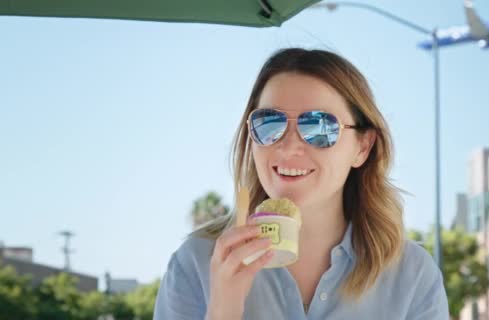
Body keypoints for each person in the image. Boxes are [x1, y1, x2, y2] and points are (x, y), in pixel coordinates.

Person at [153, 48, 449, 320]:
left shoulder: (413, 276)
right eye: (268, 123)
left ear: (363, 146)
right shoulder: (195, 263)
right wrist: (223, 310)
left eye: (319, 126)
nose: (289, 147)